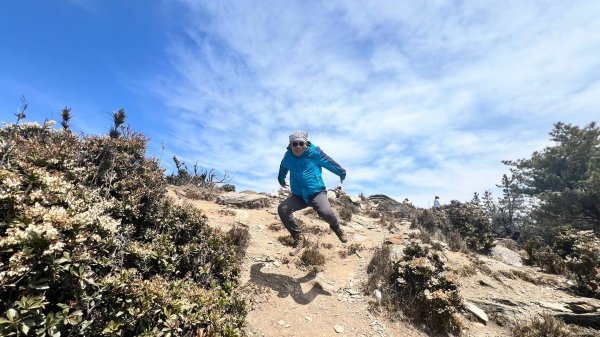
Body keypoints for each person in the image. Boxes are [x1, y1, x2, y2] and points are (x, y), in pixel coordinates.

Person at [277, 131, 348, 256]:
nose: (298, 146)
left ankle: (336, 228)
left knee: (325, 212)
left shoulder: (315, 153)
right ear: (290, 145)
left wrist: (341, 172)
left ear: (306, 144)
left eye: (301, 143)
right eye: (295, 144)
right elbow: (283, 168)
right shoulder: (288, 157)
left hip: (316, 193)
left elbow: (329, 162)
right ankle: (299, 238)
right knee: (282, 208)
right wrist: (281, 180)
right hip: (298, 196)